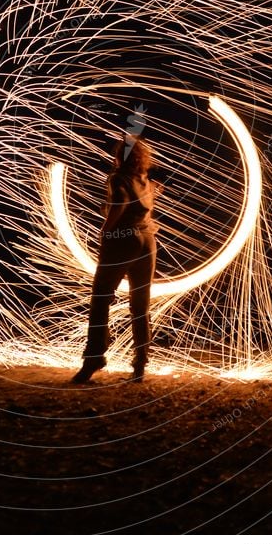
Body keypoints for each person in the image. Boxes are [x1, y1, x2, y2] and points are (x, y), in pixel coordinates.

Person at [72, 134, 162, 384]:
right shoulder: (147, 180)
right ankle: (140, 364)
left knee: (101, 298)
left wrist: (106, 230)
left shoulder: (118, 178)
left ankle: (94, 358)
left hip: (123, 239)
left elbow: (120, 203)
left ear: (119, 157)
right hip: (147, 241)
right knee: (140, 305)